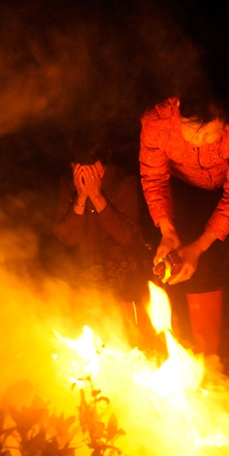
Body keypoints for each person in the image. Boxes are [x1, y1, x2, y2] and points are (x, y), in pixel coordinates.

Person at [139, 84, 229, 384]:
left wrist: (201, 245)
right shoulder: (158, 121)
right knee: (193, 266)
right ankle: (206, 360)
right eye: (192, 131)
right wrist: (168, 230)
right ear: (179, 113)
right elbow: (153, 178)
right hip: (186, 188)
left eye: (210, 133)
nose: (200, 141)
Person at [53, 131, 150, 327]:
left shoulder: (123, 182)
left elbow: (126, 235)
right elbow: (66, 237)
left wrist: (97, 197)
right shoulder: (68, 184)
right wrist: (80, 198)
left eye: (92, 168)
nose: (86, 175)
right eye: (79, 168)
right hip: (88, 283)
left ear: (102, 164)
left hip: (127, 283)